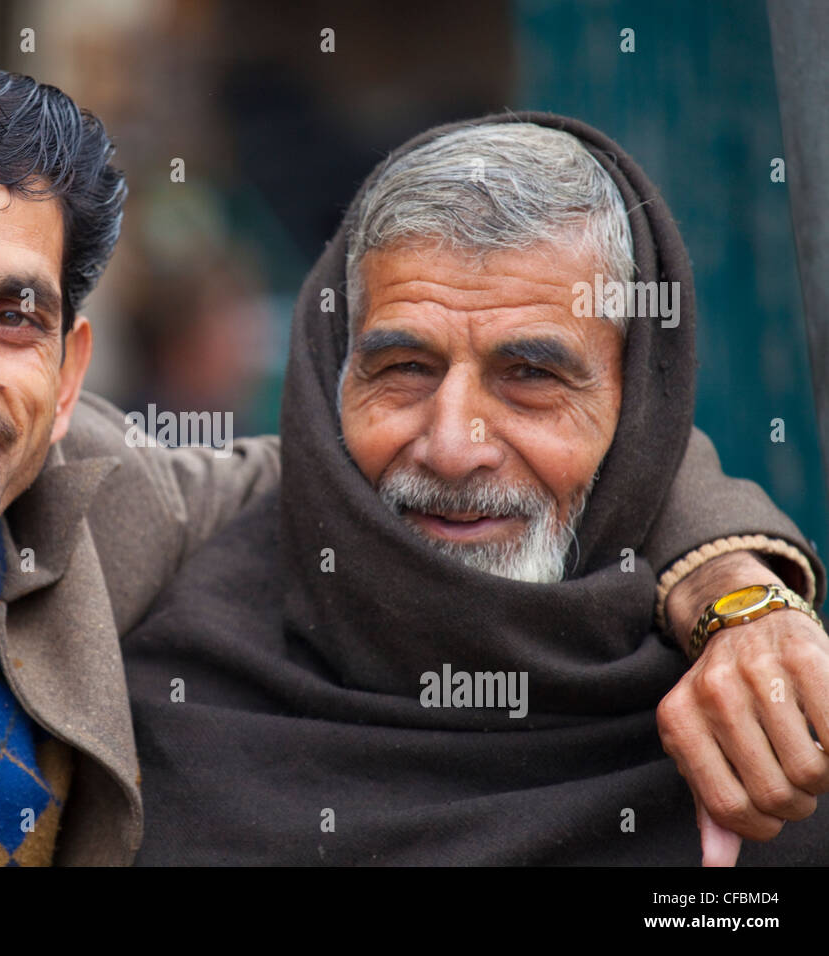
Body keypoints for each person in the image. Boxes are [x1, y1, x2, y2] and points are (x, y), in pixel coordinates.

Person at [0, 42, 815, 866]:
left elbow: (473, 470)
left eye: (13, 315)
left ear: (70, 372)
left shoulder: (104, 505)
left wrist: (737, 590)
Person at [123, 114, 829, 865]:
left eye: (531, 375)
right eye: (405, 369)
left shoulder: (764, 722)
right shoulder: (166, 701)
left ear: (637, 411)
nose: (454, 448)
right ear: (332, 373)